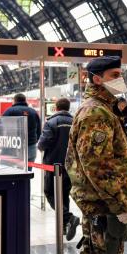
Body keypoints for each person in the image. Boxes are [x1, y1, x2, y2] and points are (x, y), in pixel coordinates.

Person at [65, 56, 127, 254]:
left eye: (120, 75)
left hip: (105, 206)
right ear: (97, 79)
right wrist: (121, 205)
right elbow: (98, 167)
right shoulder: (96, 112)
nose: (120, 80)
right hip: (105, 207)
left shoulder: (105, 108)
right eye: (114, 75)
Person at [38, 98, 80, 241]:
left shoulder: (51, 122)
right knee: (64, 194)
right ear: (68, 108)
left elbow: (43, 144)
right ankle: (64, 225)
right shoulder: (76, 121)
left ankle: (69, 218)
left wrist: (40, 145)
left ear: (55, 107)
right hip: (70, 165)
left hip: (53, 165)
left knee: (50, 192)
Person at [3, 93, 41, 168]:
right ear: (25, 100)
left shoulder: (9, 111)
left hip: (13, 147)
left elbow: (1, 128)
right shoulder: (33, 112)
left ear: (14, 101)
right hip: (31, 147)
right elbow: (39, 130)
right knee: (27, 173)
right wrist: (34, 141)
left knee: (13, 173)